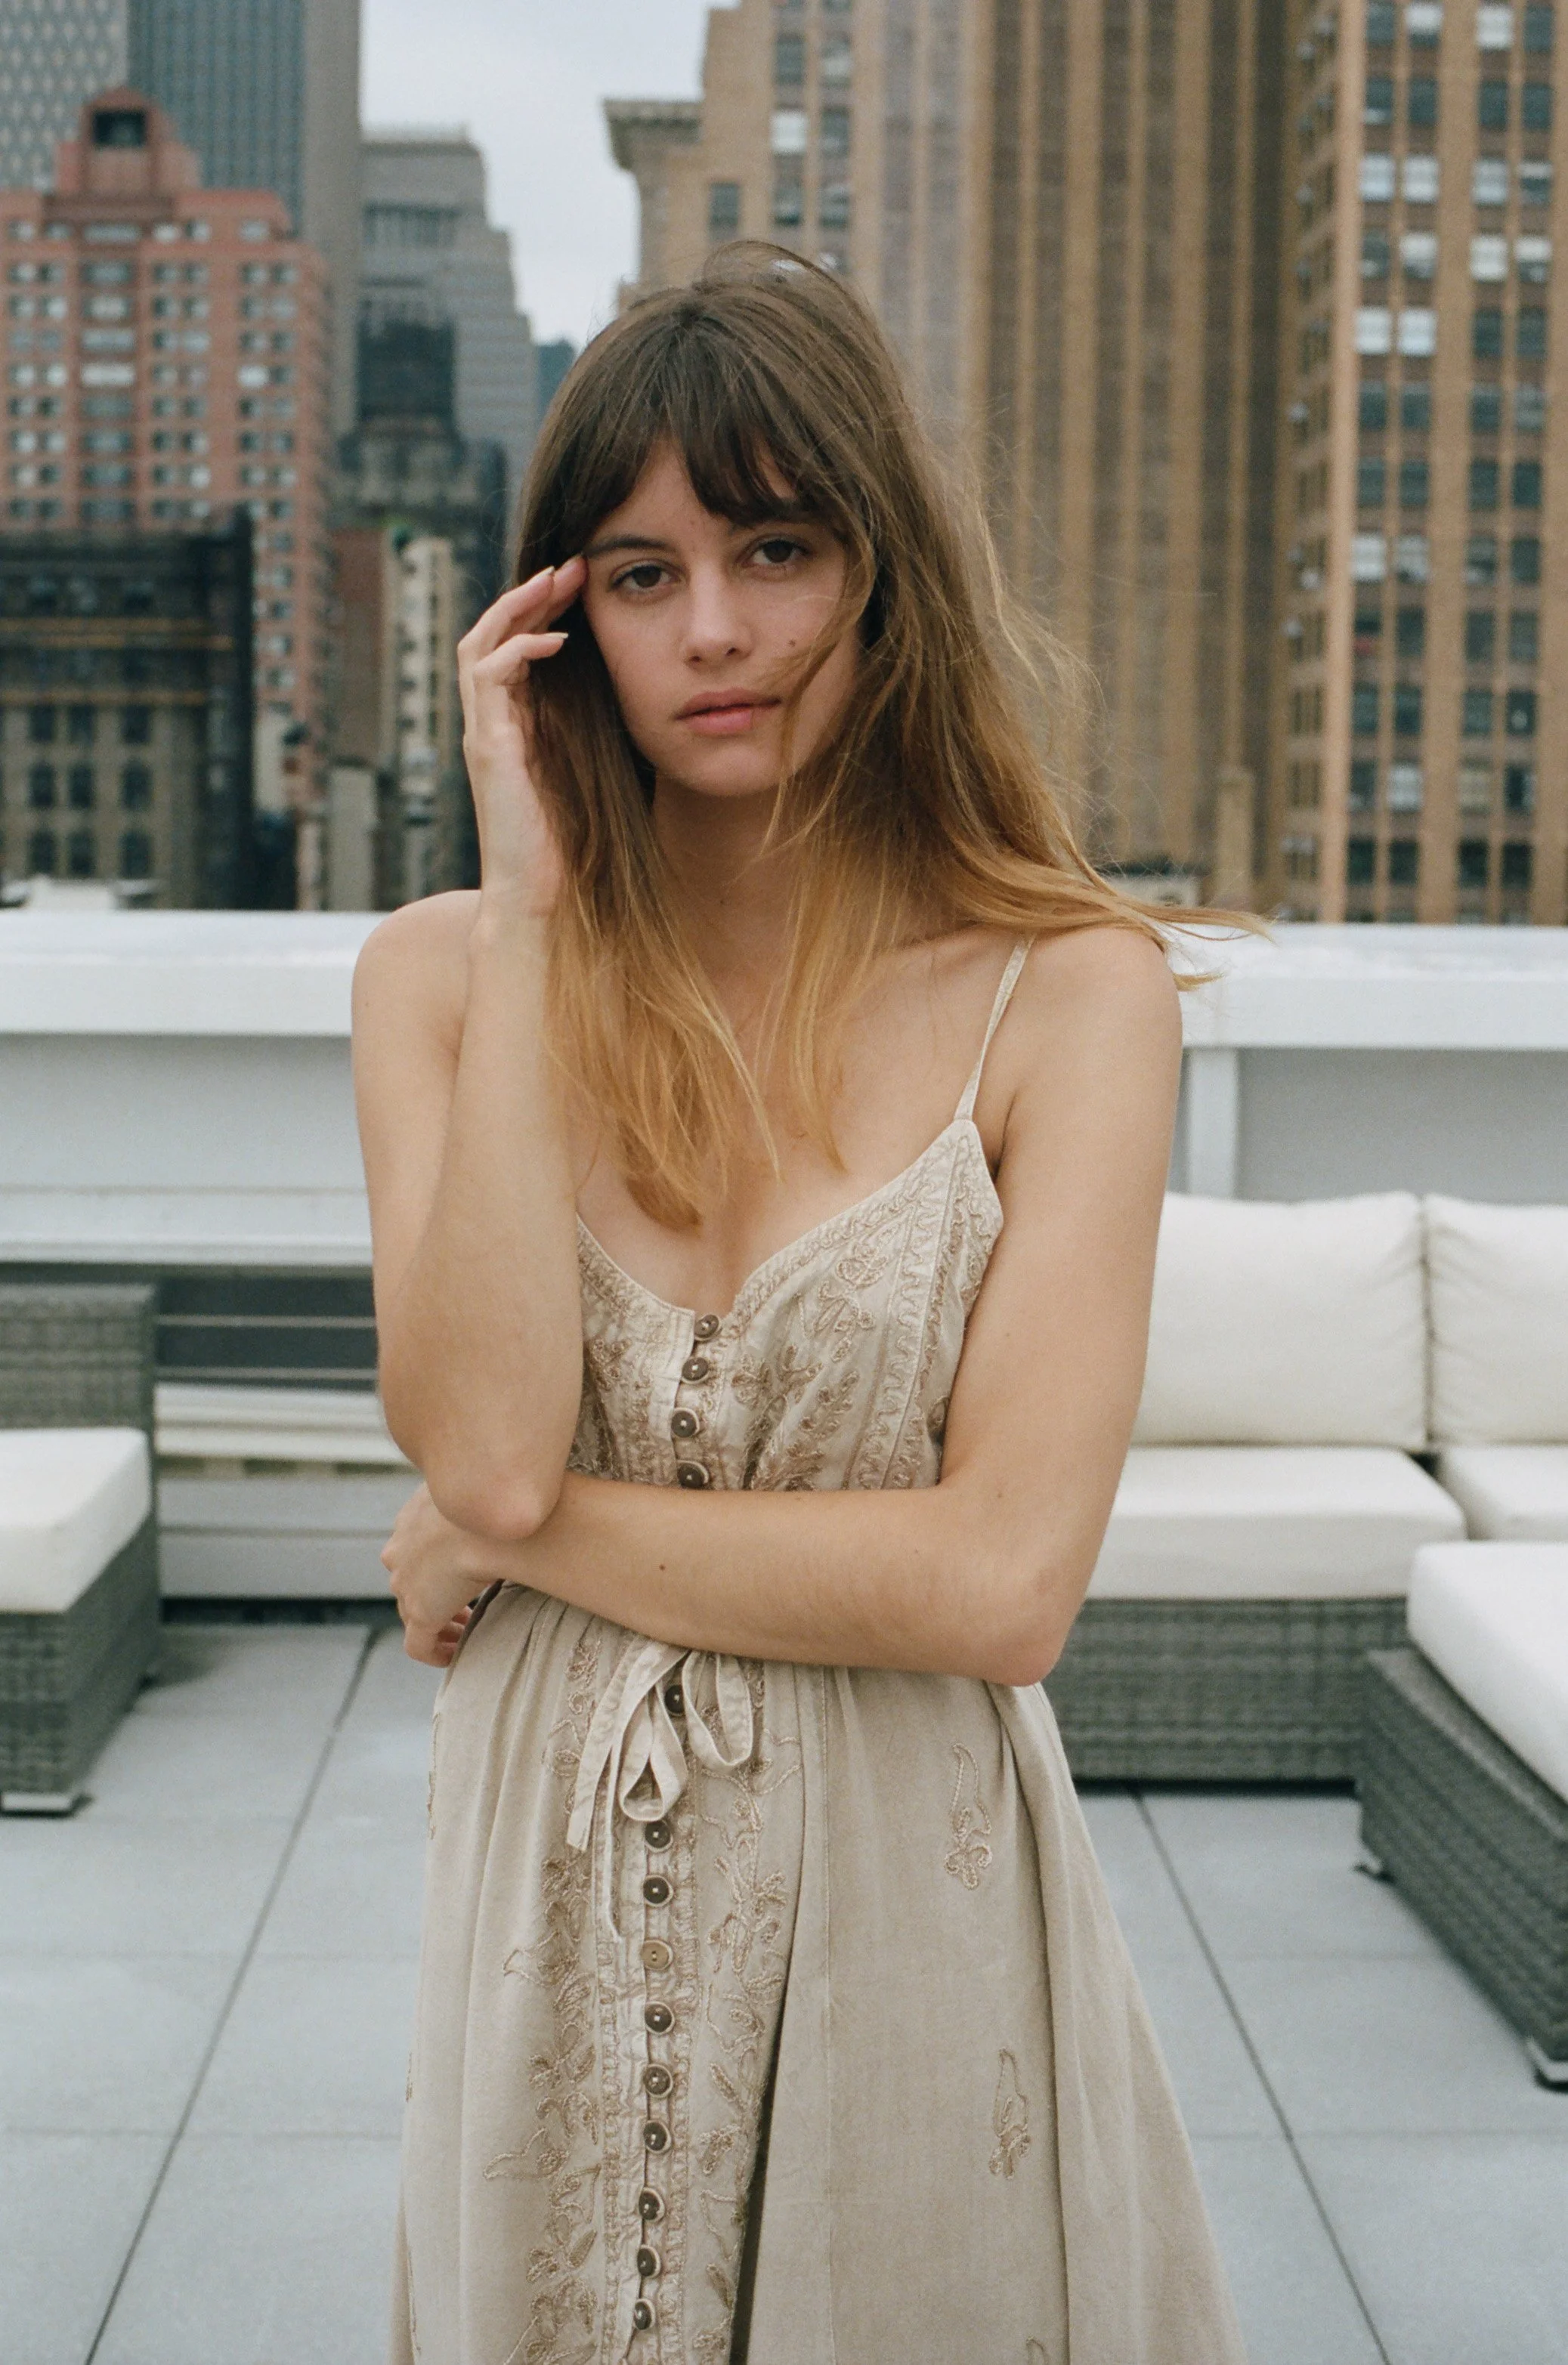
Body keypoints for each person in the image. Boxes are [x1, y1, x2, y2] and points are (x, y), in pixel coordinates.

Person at [357, 245, 1249, 2364]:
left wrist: (526, 1539)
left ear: (884, 574)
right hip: (547, 1885)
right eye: (642, 575)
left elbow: (1003, 1585)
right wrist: (543, 913)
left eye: (777, 549)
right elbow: (479, 1432)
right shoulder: (442, 980)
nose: (720, 633)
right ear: (558, 620)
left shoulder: (1069, 994)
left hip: (906, 1901)